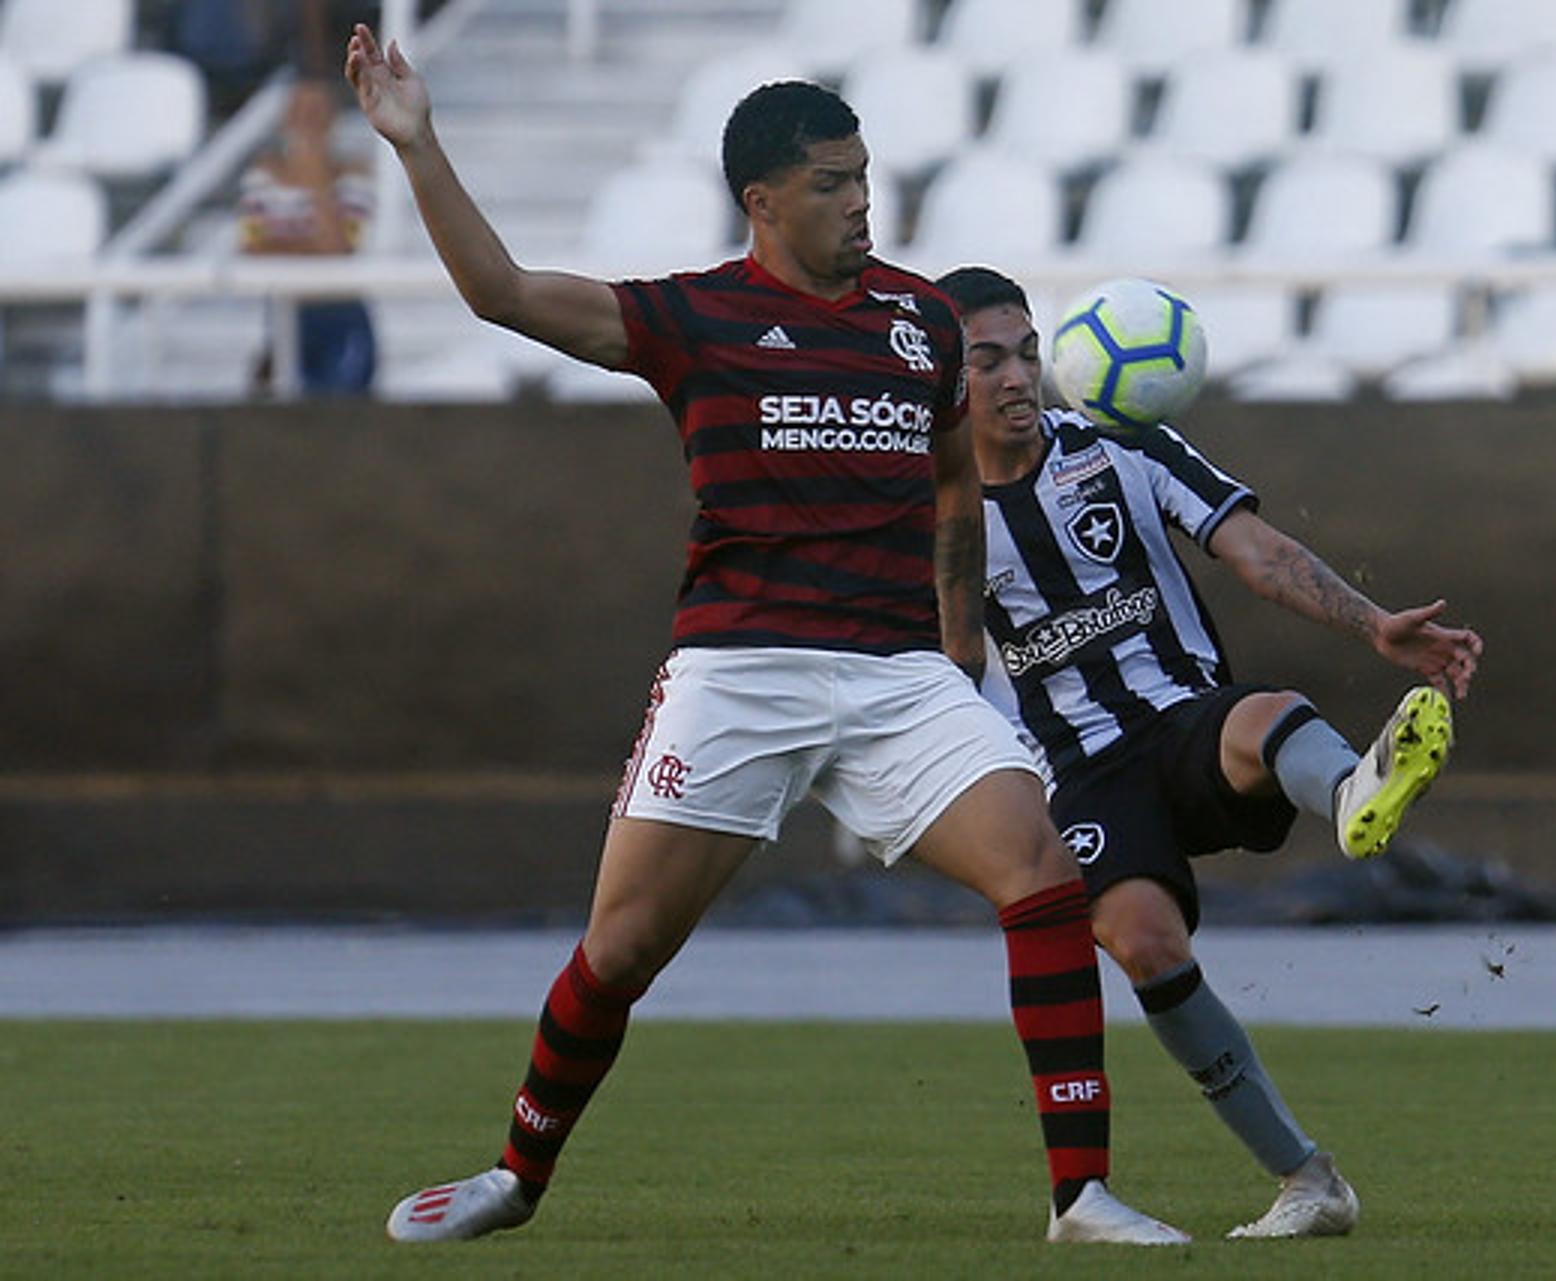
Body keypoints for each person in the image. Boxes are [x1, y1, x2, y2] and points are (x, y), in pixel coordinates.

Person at [342, 26, 1185, 1247]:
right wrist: (417, 143)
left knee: (1044, 880)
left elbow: (956, 480)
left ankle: (1082, 1194)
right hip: (741, 672)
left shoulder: (921, 322)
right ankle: (516, 1177)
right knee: (622, 950)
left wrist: (956, 646)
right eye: (833, 185)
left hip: (899, 677)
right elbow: (504, 294)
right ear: (764, 200)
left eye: (866, 180)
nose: (860, 205)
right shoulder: (693, 320)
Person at [934, 265, 1483, 1240]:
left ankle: (1356, 791)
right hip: (1077, 777)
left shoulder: (1121, 448)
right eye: (987, 361)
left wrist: (1376, 627)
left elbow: (1259, 553)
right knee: (1146, 946)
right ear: (946, 377)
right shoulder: (932, 520)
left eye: (1027, 352)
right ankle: (1310, 1182)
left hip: (1183, 723)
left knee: (1261, 711)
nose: (1017, 377)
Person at [239, 77, 377, 395]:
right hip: (284, 312)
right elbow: (252, 248)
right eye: (300, 113)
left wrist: (314, 174)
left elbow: (339, 250)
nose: (307, 124)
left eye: (316, 114)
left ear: (333, 119)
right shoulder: (263, 176)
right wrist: (313, 242)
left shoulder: (355, 176)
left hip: (341, 314)